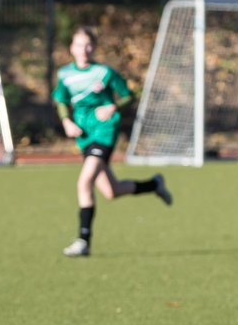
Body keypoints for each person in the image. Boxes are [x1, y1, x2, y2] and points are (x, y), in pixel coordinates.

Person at [53, 27, 172, 257]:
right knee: (111, 191)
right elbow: (61, 100)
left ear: (94, 48)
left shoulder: (104, 72)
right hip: (84, 134)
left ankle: (83, 240)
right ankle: (154, 184)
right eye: (79, 45)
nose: (83, 50)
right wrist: (66, 121)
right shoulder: (64, 74)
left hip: (105, 131)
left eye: (88, 45)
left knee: (84, 182)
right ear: (71, 48)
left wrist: (114, 107)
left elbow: (129, 95)